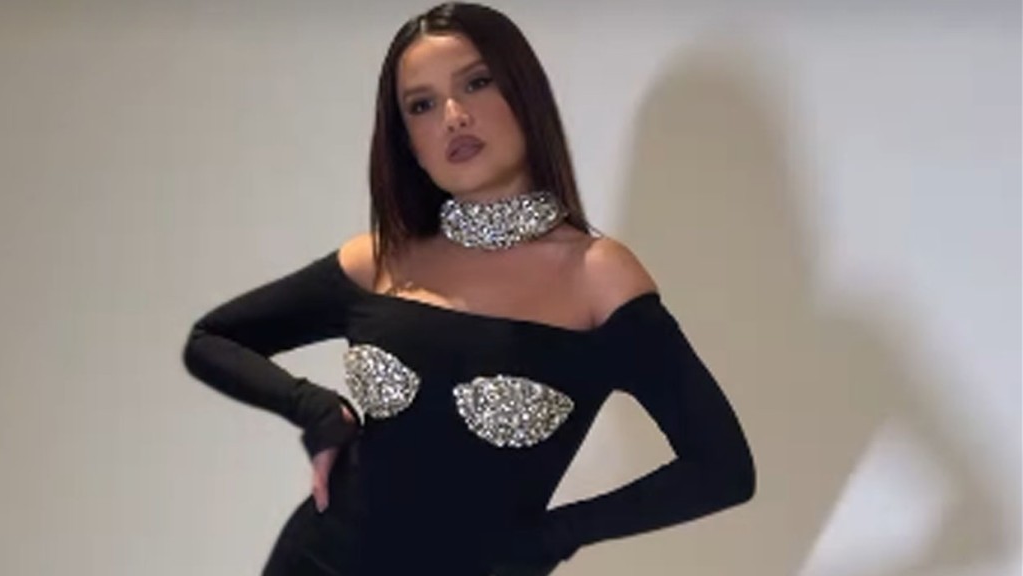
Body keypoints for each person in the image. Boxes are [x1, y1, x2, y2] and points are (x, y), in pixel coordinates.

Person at [181, 3, 756, 575]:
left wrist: (553, 537)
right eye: (422, 105)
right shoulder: (381, 258)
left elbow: (722, 468)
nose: (453, 116)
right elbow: (212, 340)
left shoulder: (597, 276)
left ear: (524, 94)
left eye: (476, 83)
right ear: (409, 141)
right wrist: (317, 410)